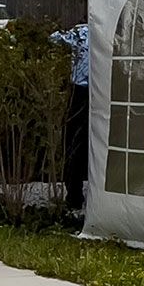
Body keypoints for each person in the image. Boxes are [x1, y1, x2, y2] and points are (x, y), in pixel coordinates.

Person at [51, 23, 90, 212]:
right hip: (94, 91)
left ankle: (75, 195)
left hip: (82, 91)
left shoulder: (82, 32)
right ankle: (75, 194)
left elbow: (54, 39)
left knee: (74, 143)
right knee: (79, 144)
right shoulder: (90, 31)